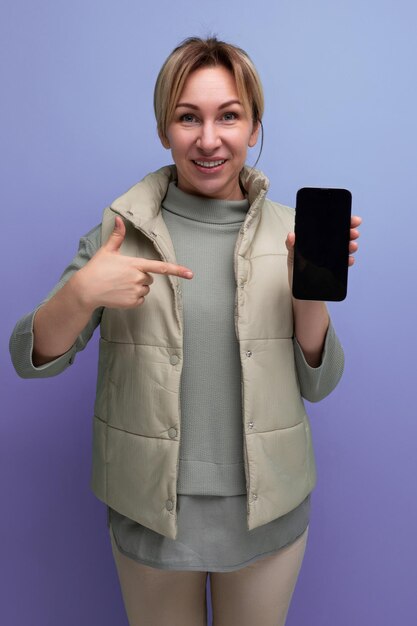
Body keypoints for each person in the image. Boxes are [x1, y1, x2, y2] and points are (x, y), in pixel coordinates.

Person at [10, 37, 361, 626]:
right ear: (163, 128)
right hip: (150, 511)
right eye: (186, 117)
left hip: (268, 510)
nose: (207, 139)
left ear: (253, 127)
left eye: (229, 115)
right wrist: (80, 293)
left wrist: (311, 294)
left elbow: (319, 384)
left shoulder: (293, 233)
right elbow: (29, 357)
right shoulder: (121, 231)